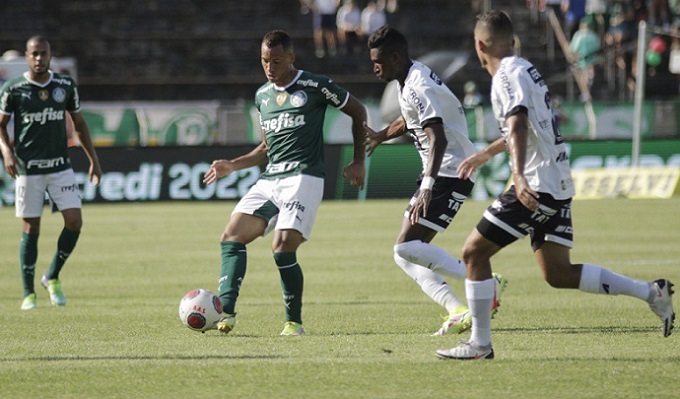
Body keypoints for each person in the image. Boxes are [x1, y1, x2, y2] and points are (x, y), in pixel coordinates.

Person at [436, 10, 675, 361]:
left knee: (474, 253)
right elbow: (526, 127)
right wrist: (486, 155)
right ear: (513, 41)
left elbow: (517, 124)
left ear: (479, 45)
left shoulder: (505, 75)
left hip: (535, 185)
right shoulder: (526, 70)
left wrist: (517, 176)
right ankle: (652, 293)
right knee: (558, 273)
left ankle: (480, 344)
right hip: (556, 183)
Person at [202, 30, 367, 336]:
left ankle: (293, 322)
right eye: (265, 60)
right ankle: (226, 313)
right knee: (231, 237)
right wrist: (232, 165)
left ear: (292, 58)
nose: (270, 67)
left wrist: (359, 161)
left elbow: (358, 112)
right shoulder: (262, 96)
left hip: (303, 177)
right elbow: (266, 149)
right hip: (271, 180)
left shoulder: (315, 85)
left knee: (282, 248)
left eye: (276, 61)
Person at [364, 26, 507, 336]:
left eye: (379, 61)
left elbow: (437, 138)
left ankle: (483, 282)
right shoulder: (408, 79)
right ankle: (457, 309)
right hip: (442, 171)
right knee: (404, 253)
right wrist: (381, 135)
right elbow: (410, 119)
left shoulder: (417, 85)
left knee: (405, 247)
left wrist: (427, 185)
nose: (374, 67)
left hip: (450, 172)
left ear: (396, 57)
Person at [0, 36, 102, 310]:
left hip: (60, 166)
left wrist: (93, 159)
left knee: (75, 222)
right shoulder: (14, 88)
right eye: (34, 54)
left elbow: (79, 124)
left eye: (43, 54)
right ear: (26, 56)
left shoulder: (65, 85)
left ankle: (52, 275)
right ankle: (27, 293)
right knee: (31, 227)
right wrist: (7, 152)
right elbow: (0, 125)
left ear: (50, 56)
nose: (38, 59)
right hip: (28, 169)